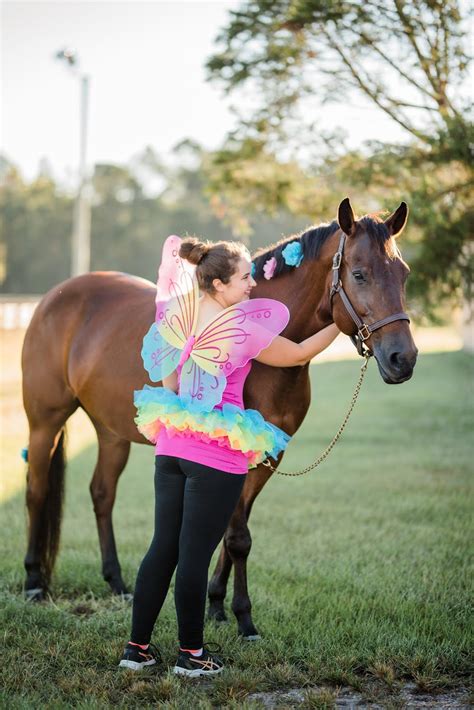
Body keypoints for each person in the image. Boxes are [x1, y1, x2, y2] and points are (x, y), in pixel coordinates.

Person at [119, 236, 339, 677]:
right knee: (196, 556)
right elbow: (297, 354)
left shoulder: (176, 320)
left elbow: (172, 389)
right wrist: (344, 322)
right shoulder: (240, 329)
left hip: (171, 447)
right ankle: (192, 656)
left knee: (162, 548)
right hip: (215, 455)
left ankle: (136, 650)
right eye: (243, 278)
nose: (252, 284)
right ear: (219, 284)